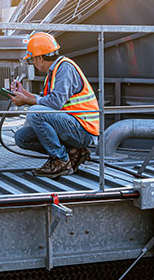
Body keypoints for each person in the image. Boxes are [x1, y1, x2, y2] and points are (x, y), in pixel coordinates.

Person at [11, 32, 100, 178]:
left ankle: (61, 161)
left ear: (39, 58)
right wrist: (25, 93)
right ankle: (73, 151)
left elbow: (55, 103)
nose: (33, 62)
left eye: (32, 59)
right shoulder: (54, 71)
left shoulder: (64, 68)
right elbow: (47, 101)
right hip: (71, 125)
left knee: (35, 112)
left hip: (83, 130)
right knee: (22, 137)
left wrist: (27, 101)